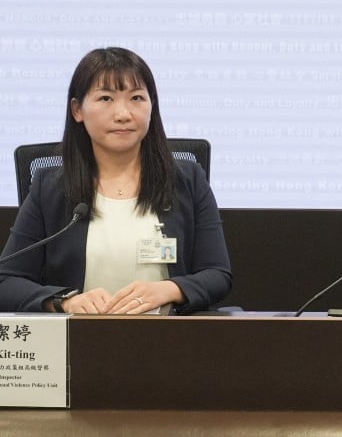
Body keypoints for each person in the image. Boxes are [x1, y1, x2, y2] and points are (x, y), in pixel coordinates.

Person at [0, 48, 231, 314]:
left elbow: (217, 275)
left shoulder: (186, 178)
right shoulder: (50, 187)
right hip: (78, 343)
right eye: (106, 98)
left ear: (151, 106)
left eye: (136, 98)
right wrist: (65, 300)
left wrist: (169, 289)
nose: (123, 113)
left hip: (170, 342)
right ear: (77, 109)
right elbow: (6, 281)